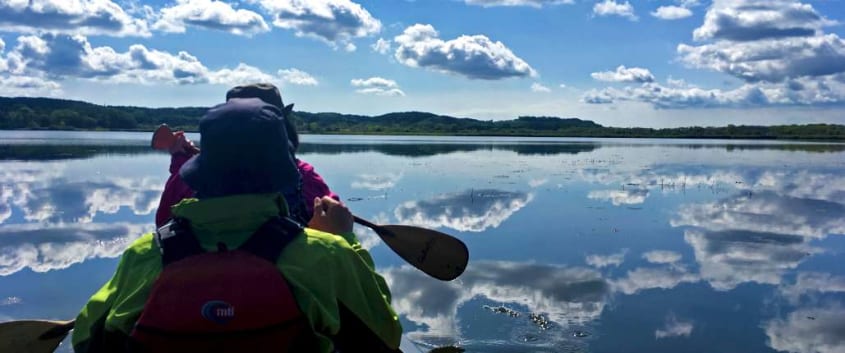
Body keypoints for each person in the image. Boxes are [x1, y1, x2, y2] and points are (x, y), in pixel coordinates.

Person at [72, 98, 403, 352]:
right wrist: (346, 241)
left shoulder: (146, 254)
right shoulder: (327, 256)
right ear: (284, 176)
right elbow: (384, 338)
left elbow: (88, 340)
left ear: (201, 174)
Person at [155, 83, 338, 228]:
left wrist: (181, 161)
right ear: (281, 129)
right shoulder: (303, 176)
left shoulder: (184, 180)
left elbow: (164, 222)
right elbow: (336, 220)